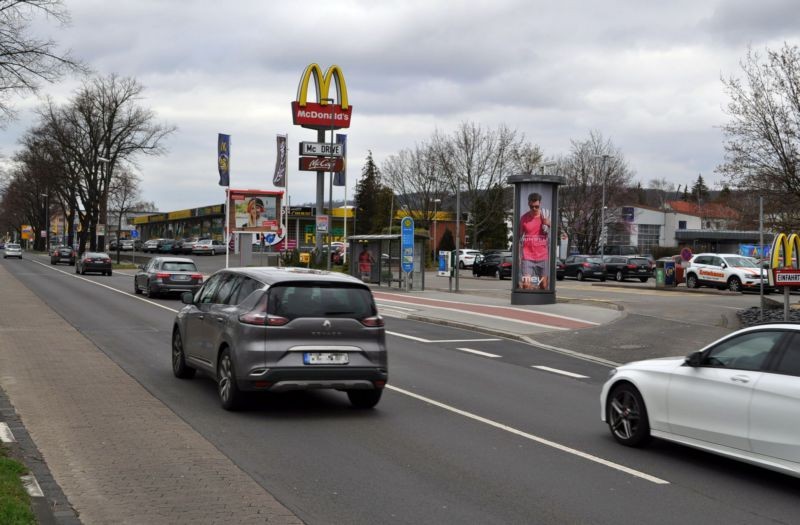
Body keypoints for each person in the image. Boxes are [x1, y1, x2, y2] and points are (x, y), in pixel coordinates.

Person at [520, 192, 551, 290]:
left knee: (544, 285)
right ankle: (528, 297)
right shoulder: (524, 218)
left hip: (542, 256)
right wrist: (517, 256)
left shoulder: (546, 216)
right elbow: (518, 237)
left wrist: (549, 224)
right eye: (532, 206)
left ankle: (537, 289)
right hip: (528, 255)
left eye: (536, 206)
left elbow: (555, 233)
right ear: (528, 204)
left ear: (540, 204)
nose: (534, 209)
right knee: (526, 285)